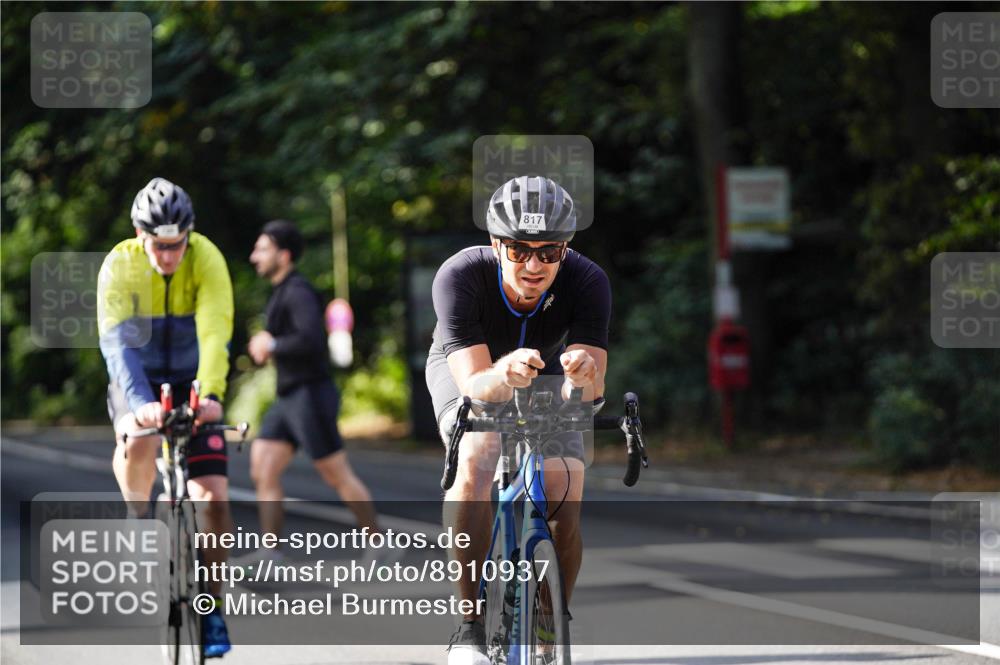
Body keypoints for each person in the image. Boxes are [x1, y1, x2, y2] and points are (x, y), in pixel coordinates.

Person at [426, 176, 610, 664]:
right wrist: (502, 373)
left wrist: (582, 377)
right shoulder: (460, 275)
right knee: (479, 453)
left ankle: (553, 622)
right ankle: (468, 627)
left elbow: (591, 392)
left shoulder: (588, 280)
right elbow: (476, 386)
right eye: (518, 250)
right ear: (495, 243)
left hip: (544, 373)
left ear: (565, 249)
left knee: (565, 485)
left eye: (549, 252)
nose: (533, 265)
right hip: (472, 368)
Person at [97, 177, 234, 658]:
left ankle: (213, 606)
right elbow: (116, 342)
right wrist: (139, 403)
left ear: (189, 236)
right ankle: (138, 515)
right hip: (140, 378)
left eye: (177, 245)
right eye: (159, 246)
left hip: (195, 381)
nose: (169, 256)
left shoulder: (207, 258)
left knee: (213, 499)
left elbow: (217, 329)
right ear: (140, 235)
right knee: (137, 439)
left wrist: (212, 394)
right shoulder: (120, 265)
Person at [244, 220, 380, 560]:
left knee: (335, 474)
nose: (254, 256)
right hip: (288, 396)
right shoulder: (281, 291)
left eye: (262, 249)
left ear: (284, 255)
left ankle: (380, 544)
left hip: (309, 395)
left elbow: (311, 339)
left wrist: (271, 342)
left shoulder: (298, 291)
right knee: (262, 465)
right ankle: (270, 553)